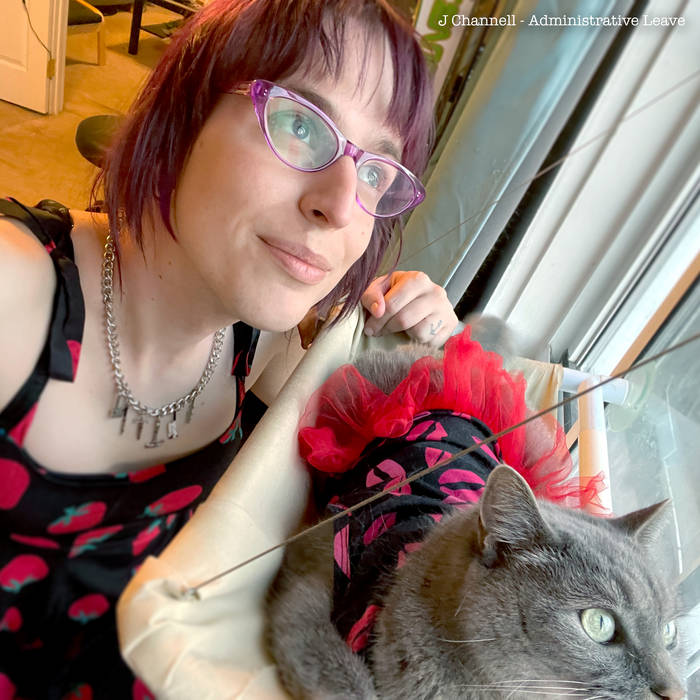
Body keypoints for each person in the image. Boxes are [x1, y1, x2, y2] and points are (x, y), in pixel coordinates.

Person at [0, 0, 457, 696]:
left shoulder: (261, 343)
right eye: (301, 123)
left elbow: (363, 456)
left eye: (374, 172)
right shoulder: (15, 297)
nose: (340, 206)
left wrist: (417, 334)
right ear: (186, 109)